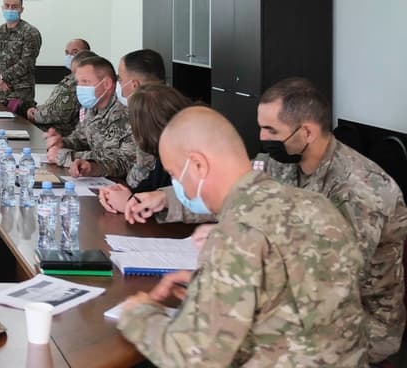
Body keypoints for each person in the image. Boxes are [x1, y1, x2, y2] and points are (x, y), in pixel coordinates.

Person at [117, 106, 367, 367]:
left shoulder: (236, 234)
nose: (177, 185)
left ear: (198, 165)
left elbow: (193, 359)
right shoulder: (317, 204)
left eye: (175, 174)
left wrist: (140, 314)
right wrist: (209, 284)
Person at [257, 78, 407, 364]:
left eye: (271, 130)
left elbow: (332, 279)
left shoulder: (360, 190)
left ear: (307, 132)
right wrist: (171, 201)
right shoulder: (284, 161)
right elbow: (241, 191)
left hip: (358, 321)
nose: (262, 137)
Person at [99, 84, 190, 214]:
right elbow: (152, 186)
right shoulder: (165, 150)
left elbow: (193, 205)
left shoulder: (190, 156)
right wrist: (118, 194)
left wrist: (130, 203)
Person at [45, 54, 135, 180]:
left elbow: (123, 161)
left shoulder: (126, 112)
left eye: (85, 82)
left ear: (107, 84)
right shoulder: (91, 106)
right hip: (96, 179)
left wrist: (69, 157)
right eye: (78, 82)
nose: (80, 88)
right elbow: (81, 138)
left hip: (121, 184)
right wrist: (62, 143)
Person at [0, 0, 42, 104]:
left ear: (21, 10)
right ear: (2, 8)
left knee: (19, 116)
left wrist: (2, 77)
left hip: (21, 92)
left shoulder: (30, 32)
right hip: (0, 91)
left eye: (14, 7)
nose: (10, 9)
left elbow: (26, 63)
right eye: (7, 6)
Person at [26, 39, 90, 135]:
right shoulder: (69, 78)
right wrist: (36, 110)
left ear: (86, 54)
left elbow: (62, 114)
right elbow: (52, 103)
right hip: (46, 126)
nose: (70, 56)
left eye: (75, 52)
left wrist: (35, 115)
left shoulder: (81, 81)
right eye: (67, 53)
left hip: (58, 132)